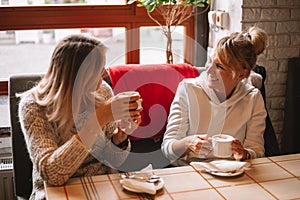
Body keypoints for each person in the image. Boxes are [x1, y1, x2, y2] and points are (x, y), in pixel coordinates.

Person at [18, 35, 142, 200]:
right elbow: (52, 174)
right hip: (57, 194)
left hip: (102, 188)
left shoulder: (103, 92)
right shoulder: (34, 106)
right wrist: (99, 118)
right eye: (99, 69)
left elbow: (113, 160)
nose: (105, 74)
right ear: (78, 76)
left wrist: (120, 139)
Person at [161, 26, 269, 165]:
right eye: (209, 61)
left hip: (233, 174)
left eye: (219, 66)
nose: (209, 69)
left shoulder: (253, 98)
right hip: (190, 171)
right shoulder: (188, 89)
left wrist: (245, 154)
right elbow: (168, 148)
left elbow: (257, 151)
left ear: (242, 74)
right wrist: (188, 143)